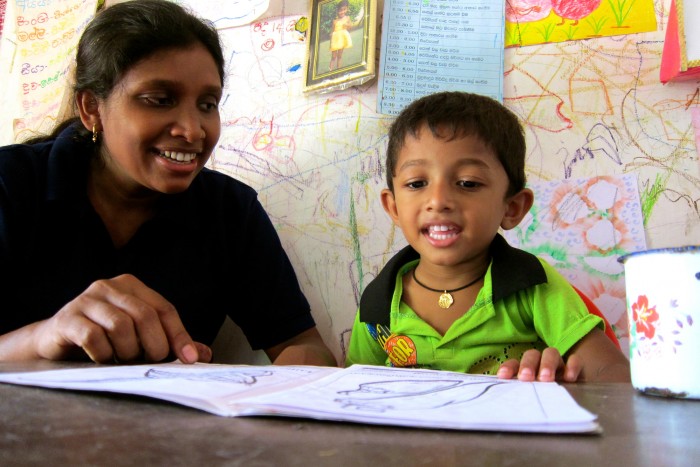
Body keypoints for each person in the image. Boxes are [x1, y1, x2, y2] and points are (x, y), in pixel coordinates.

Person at [0, 0, 336, 367]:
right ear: (91, 108)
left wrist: (302, 370)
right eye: (159, 100)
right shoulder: (11, 185)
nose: (192, 131)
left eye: (208, 104)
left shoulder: (230, 211)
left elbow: (302, 343)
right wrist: (45, 336)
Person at [345, 91, 630, 382]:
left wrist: (566, 381)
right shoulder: (377, 307)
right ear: (393, 206)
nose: (438, 200)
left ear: (512, 207)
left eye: (468, 183)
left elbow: (614, 374)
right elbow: (350, 390)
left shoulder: (532, 287)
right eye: (417, 183)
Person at [328, 0, 363, 71]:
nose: (342, 12)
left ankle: (338, 70)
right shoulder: (335, 21)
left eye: (344, 10)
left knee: (339, 56)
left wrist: (346, 25)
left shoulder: (347, 18)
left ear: (347, 9)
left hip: (342, 39)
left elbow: (350, 26)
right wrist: (331, 41)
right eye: (340, 10)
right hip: (335, 40)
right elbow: (331, 32)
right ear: (337, 11)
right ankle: (330, 70)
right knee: (334, 56)